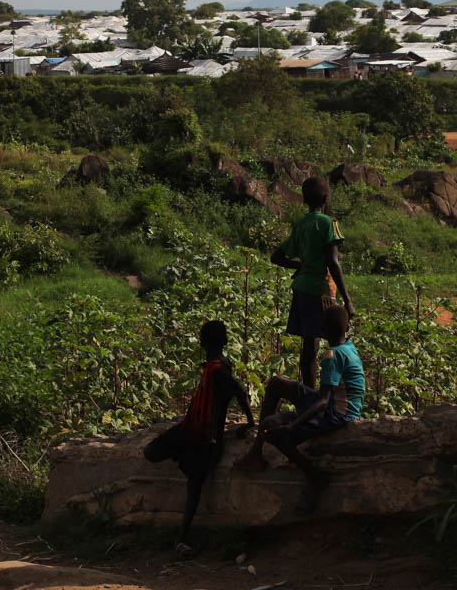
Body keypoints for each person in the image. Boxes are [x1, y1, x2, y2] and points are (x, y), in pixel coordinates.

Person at [234, 306, 365, 514]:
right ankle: (256, 452)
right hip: (340, 404)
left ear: (323, 329)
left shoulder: (332, 355)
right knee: (277, 383)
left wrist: (292, 425)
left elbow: (323, 402)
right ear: (346, 327)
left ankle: (313, 475)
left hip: (338, 413)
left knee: (272, 427)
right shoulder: (348, 347)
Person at [144, 320, 254, 558]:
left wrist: (251, 423)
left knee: (172, 468)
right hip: (193, 433)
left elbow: (239, 391)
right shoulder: (218, 366)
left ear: (202, 342)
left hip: (204, 440)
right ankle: (181, 539)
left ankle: (181, 539)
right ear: (224, 342)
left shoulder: (218, 371)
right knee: (184, 477)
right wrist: (249, 421)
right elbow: (240, 392)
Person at [272, 177, 354, 389]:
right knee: (337, 342)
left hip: (301, 289)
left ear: (304, 200)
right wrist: (347, 299)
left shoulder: (301, 225)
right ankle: (335, 394)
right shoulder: (330, 224)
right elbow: (332, 262)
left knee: (310, 346)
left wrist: (299, 266)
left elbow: (276, 257)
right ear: (326, 198)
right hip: (322, 290)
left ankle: (308, 395)